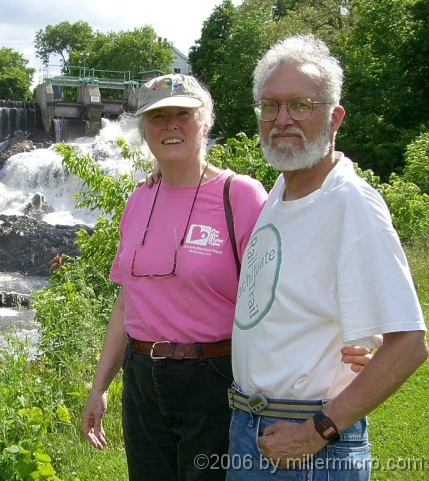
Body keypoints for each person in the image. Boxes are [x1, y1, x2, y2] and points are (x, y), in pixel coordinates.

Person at [81, 73, 373, 481]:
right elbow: (127, 301)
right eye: (157, 117)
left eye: (183, 114)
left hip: (214, 378)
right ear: (144, 131)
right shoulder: (139, 198)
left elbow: (294, 281)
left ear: (205, 122)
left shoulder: (240, 196)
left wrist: (358, 333)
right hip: (142, 377)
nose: (170, 125)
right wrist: (101, 387)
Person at [227, 35, 428, 480]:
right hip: (253, 427)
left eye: (300, 105)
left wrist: (319, 430)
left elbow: (410, 343)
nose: (282, 120)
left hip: (307, 445)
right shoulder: (282, 191)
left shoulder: (351, 203)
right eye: (270, 106)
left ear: (334, 117)